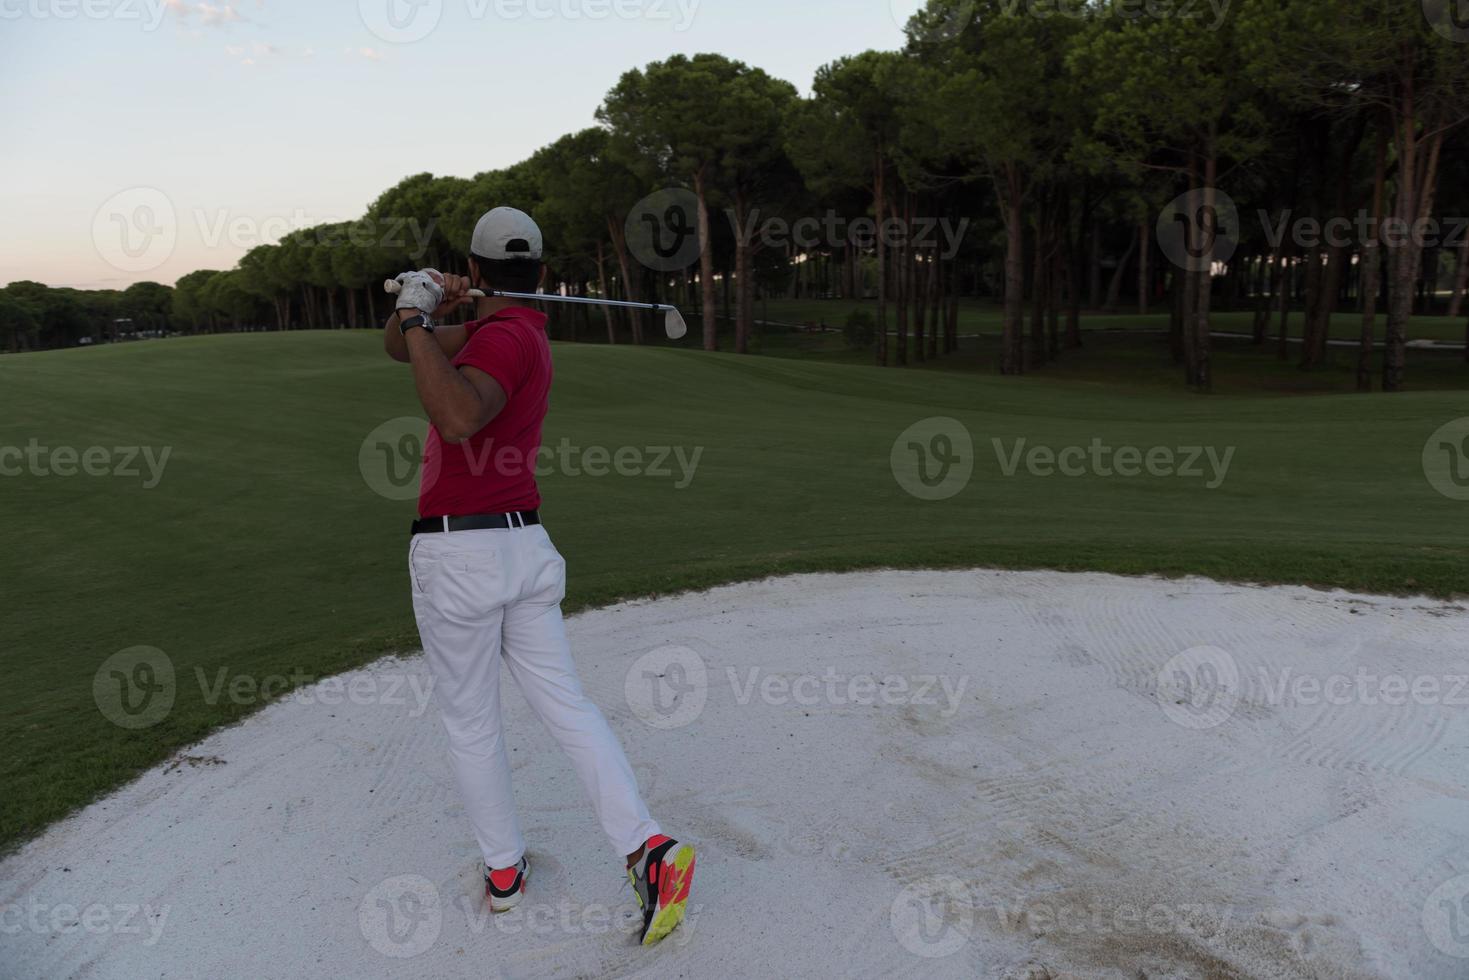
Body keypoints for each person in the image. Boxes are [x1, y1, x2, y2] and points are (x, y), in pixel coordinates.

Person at [383, 206, 695, 946]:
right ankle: (648, 849)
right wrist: (421, 305)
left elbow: (457, 416)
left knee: (470, 720)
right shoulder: (512, 331)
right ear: (543, 274)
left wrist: (421, 318)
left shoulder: (506, 340)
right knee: (568, 706)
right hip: (521, 552)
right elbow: (401, 351)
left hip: (462, 555)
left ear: (480, 266)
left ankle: (503, 869)